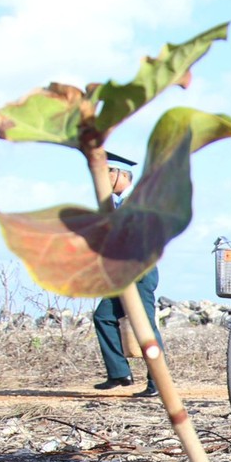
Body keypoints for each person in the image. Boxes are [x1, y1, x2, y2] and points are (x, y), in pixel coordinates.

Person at [90, 158, 161, 397]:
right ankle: (119, 372)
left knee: (146, 326)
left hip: (139, 271)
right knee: (103, 316)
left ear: (121, 174)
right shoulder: (114, 204)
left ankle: (157, 380)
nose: (103, 178)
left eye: (107, 172)